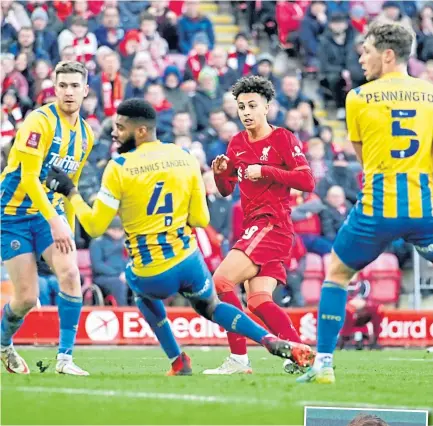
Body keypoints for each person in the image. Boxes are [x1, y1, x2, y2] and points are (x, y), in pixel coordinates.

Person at [46, 98, 314, 376]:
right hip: (188, 260)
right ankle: (269, 340)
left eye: (120, 127)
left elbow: (94, 227)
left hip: (151, 268)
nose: (114, 134)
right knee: (214, 304)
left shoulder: (119, 167)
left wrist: (71, 192)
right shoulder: (185, 157)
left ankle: (178, 360)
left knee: (143, 295)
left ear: (140, 131)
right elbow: (200, 219)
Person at [298, 22, 433, 385]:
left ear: (387, 55)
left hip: (375, 212)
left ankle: (323, 364)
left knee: (338, 275)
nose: (361, 58)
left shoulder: (357, 97)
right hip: (425, 211)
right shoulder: (431, 95)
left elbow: (364, 158)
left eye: (367, 51)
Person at [204, 75, 316, 375]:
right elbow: (227, 190)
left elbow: (307, 180)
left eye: (252, 105)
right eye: (241, 107)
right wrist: (220, 174)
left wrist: (265, 170)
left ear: (267, 107)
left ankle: (239, 359)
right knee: (257, 300)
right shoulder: (237, 142)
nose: (246, 112)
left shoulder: (282, 138)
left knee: (221, 282)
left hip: (272, 225)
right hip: (254, 228)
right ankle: (300, 355)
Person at [0, 61, 94, 375]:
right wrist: (57, 221)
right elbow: (28, 179)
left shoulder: (85, 136)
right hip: (11, 215)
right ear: (54, 87)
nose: (69, 92)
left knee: (70, 275)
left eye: (75, 86)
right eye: (63, 85)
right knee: (27, 297)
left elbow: (70, 186)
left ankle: (65, 360)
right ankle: (3, 343)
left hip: (47, 214)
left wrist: (67, 225)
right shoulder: (39, 122)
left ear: (85, 90)